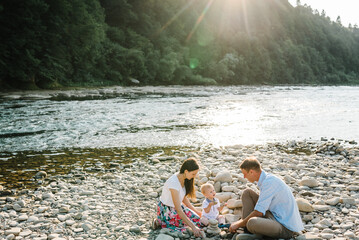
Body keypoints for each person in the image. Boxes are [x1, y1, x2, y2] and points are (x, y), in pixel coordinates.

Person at [229, 157, 303, 239]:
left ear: (251, 172)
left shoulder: (269, 182)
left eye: (245, 174)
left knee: (252, 222)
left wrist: (238, 224)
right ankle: (247, 228)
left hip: (285, 227)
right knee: (247, 193)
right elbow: (262, 207)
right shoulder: (266, 179)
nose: (244, 177)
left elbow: (259, 212)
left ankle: (248, 227)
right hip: (274, 215)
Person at [154, 157, 203, 237]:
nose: (194, 176)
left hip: (177, 207)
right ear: (186, 171)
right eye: (193, 174)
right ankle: (159, 221)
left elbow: (183, 198)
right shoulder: (174, 183)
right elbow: (178, 209)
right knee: (183, 228)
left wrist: (195, 211)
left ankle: (161, 222)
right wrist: (193, 228)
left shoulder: (184, 178)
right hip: (167, 209)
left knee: (197, 219)